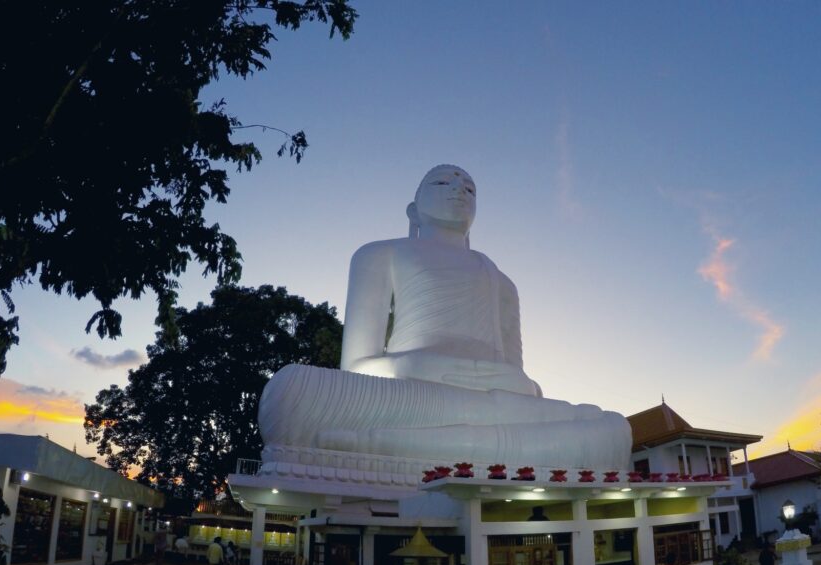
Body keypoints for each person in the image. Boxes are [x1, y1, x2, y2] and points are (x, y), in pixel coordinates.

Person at [257, 165, 631, 470]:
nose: (459, 190)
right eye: (443, 182)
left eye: (470, 189)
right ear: (413, 210)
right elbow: (356, 367)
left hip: (499, 402)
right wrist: (424, 366)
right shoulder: (379, 254)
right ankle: (514, 449)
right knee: (290, 393)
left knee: (614, 428)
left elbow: (525, 385)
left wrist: (517, 383)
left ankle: (386, 444)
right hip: (414, 396)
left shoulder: (500, 282)